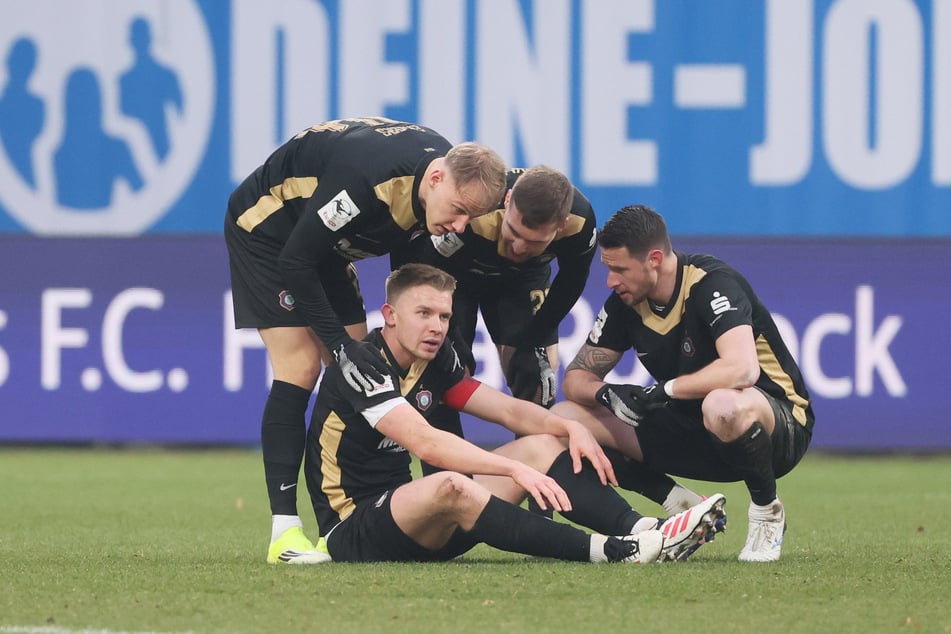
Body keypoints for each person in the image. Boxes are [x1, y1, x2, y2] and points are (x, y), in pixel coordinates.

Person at [303, 263, 728, 564]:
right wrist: (513, 471)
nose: (437, 326)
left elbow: (505, 409)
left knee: (541, 444)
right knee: (450, 484)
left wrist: (567, 427)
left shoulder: (435, 357)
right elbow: (426, 442)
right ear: (390, 316)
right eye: (424, 314)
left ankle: (647, 531)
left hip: (416, 522)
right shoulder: (361, 363)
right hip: (353, 530)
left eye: (445, 316)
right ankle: (611, 550)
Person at [224, 117, 507, 564]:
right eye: (457, 210)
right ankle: (285, 531)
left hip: (327, 246)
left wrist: (447, 340)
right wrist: (339, 346)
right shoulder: (365, 180)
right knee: (302, 367)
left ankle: (351, 520)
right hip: (270, 233)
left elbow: (410, 267)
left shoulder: (438, 183)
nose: (459, 225)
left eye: (470, 217)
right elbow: (297, 259)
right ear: (436, 178)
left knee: (366, 376)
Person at [555, 205, 813, 562]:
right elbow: (575, 379)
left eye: (620, 269)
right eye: (608, 269)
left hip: (777, 427)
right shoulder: (624, 303)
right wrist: (607, 393)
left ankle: (767, 511)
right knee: (565, 417)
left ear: (654, 259)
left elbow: (742, 370)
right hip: (696, 430)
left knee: (722, 404)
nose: (611, 281)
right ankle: (678, 501)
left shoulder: (712, 284)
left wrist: (663, 391)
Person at [390, 166, 598, 484]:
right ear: (508, 201)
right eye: (513, 232)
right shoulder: (476, 207)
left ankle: (542, 499)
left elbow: (572, 281)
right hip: (453, 276)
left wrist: (534, 337)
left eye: (534, 241)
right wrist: (451, 341)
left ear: (561, 227)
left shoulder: (580, 223)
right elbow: (416, 265)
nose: (519, 247)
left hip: (522, 280)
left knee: (536, 377)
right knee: (442, 373)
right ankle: (448, 487)